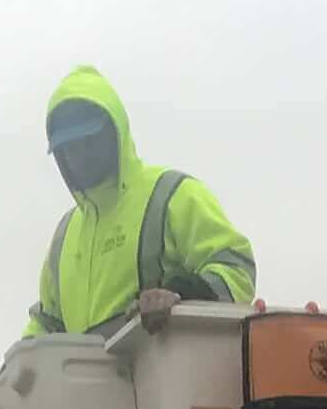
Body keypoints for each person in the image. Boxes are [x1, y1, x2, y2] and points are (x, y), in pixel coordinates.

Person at [27, 66, 256, 340]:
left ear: (115, 134)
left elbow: (236, 269)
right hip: (86, 382)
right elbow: (46, 324)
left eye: (89, 141)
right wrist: (12, 371)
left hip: (165, 376)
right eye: (70, 147)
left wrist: (182, 295)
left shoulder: (172, 195)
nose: (80, 155)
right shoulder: (64, 236)